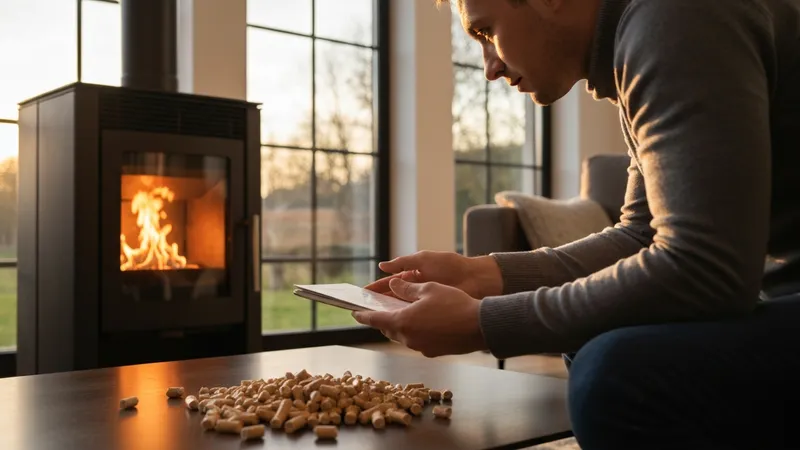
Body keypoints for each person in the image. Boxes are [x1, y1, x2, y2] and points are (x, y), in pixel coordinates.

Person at [353, 0, 800, 448]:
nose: (489, 67)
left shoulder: (677, 18)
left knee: (613, 375)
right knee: (590, 334)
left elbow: (706, 269)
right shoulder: (647, 34)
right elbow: (641, 235)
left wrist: (481, 323)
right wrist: (479, 275)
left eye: (486, 32)